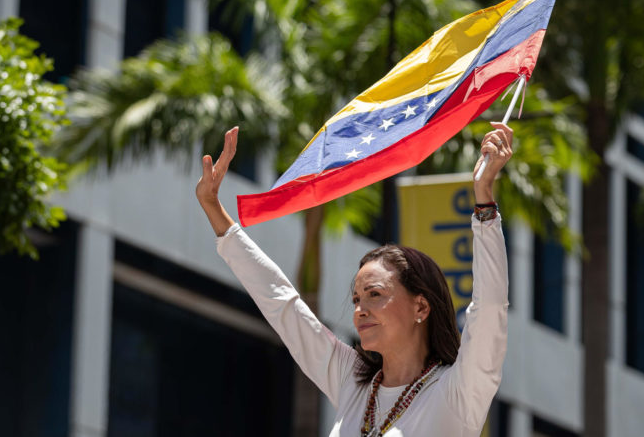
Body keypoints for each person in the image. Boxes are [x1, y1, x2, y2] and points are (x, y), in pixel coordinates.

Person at [196, 123, 512, 437]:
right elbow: (282, 304)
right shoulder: (354, 382)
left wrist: (484, 200)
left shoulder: (457, 391)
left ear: (421, 307)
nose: (360, 310)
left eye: (374, 294)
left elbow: (489, 309)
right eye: (357, 299)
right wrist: (214, 210)